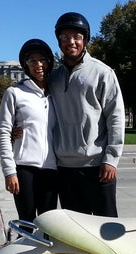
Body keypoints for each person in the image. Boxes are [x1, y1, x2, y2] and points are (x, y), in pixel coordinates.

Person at [49, 12, 125, 217]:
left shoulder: (102, 73)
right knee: (76, 233)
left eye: (76, 36)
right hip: (64, 168)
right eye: (65, 37)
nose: (71, 42)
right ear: (59, 40)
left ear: (85, 40)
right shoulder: (53, 77)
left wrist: (111, 159)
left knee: (106, 230)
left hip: (97, 165)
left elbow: (115, 117)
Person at [0, 39, 58, 223]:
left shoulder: (57, 93)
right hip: (24, 169)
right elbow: (3, 133)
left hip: (51, 169)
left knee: (50, 227)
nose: (38, 65)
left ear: (49, 62)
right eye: (32, 61)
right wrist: (9, 172)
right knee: (27, 224)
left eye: (42, 60)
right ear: (25, 65)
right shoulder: (14, 93)